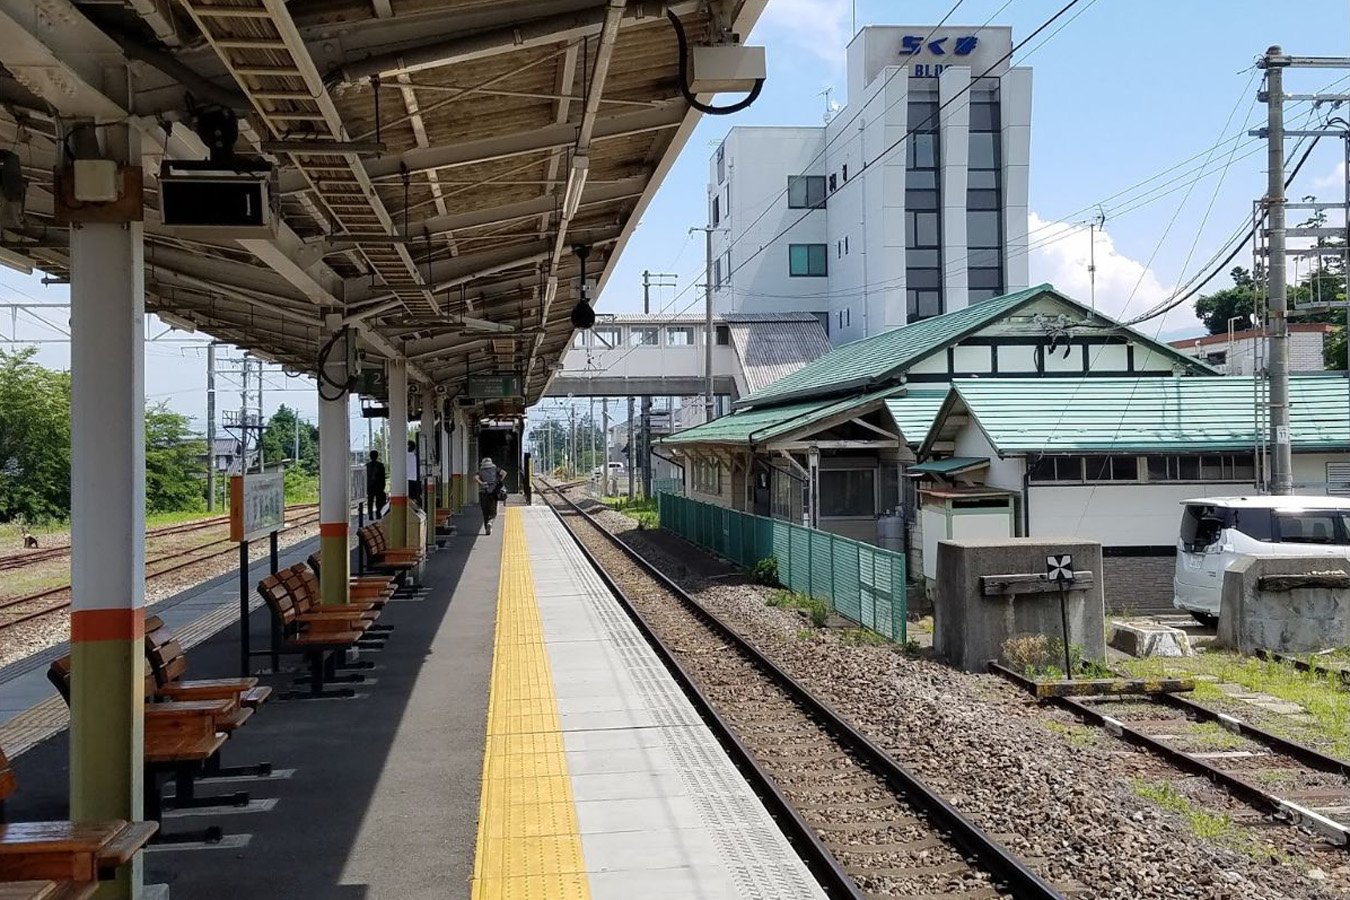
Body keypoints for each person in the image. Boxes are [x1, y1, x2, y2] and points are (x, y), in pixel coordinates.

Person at [475, 456, 507, 535]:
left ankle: (487, 528)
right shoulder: (495, 469)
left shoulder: (481, 470)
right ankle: (490, 522)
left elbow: (475, 477)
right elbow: (504, 473)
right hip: (493, 492)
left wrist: (482, 483)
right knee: (493, 512)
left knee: (485, 512)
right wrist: (499, 481)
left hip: (484, 492)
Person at [366, 450, 387, 516]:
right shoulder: (381, 465)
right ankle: (378, 514)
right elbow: (383, 477)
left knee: (370, 501)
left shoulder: (367, 466)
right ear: (377, 456)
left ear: (370, 456)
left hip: (370, 486)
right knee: (379, 501)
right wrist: (383, 486)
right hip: (379, 486)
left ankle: (370, 515)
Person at [407, 440, 422, 504]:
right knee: (416, 497)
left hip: (406, 481)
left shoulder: (402, 457)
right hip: (416, 480)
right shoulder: (417, 457)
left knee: (408, 498)